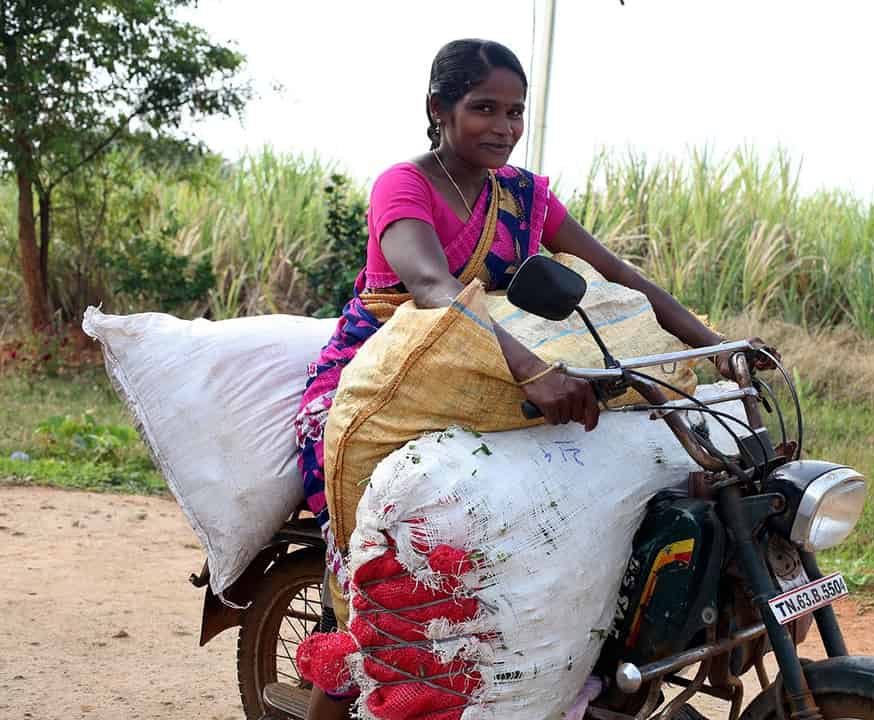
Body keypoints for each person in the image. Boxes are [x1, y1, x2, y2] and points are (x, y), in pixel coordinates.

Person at [296, 38, 773, 720]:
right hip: (381, 381)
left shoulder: (523, 195)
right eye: (483, 108)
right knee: (380, 578)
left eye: (515, 112)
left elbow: (620, 277)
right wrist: (533, 369)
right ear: (439, 108)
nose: (503, 127)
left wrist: (718, 345)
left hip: (498, 371)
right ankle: (337, 683)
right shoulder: (403, 185)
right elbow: (433, 288)